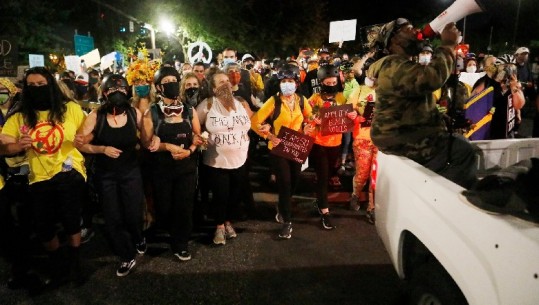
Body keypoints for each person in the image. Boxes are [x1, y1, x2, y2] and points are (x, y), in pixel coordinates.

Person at [1, 67, 87, 286]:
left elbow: (87, 133)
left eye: (42, 84)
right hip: (37, 177)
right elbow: (3, 146)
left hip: (68, 172)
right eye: (32, 86)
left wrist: (84, 141)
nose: (37, 89)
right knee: (44, 227)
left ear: (50, 85)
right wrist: (17, 146)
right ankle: (58, 263)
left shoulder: (70, 109)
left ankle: (75, 262)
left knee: (71, 221)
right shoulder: (19, 116)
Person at [366, 19, 477, 189]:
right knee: (463, 151)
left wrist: (440, 118)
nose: (416, 31)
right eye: (409, 29)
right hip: (405, 141)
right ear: (394, 39)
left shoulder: (402, 65)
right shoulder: (392, 65)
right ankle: (437, 197)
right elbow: (432, 78)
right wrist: (447, 45)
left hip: (405, 137)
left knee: (459, 144)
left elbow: (410, 104)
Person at [76, 74, 146, 277]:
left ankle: (138, 236)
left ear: (127, 91)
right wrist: (101, 149)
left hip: (131, 172)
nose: (118, 93)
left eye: (122, 90)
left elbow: (148, 134)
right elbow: (81, 143)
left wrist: (153, 138)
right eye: (112, 90)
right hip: (106, 175)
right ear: (105, 93)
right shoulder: (96, 116)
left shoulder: (134, 113)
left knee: (133, 214)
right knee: (112, 216)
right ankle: (126, 255)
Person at [140, 67, 202, 261]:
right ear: (159, 87)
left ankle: (180, 244)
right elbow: (146, 143)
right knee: (164, 207)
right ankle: (164, 229)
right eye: (167, 81)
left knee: (184, 207)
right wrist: (167, 146)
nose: (172, 84)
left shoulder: (189, 110)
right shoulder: (151, 113)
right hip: (161, 170)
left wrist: (189, 150)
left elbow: (198, 137)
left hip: (186, 168)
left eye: (175, 80)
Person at [250, 64, 312, 239]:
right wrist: (268, 136)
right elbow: (255, 121)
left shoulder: (301, 100)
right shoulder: (274, 101)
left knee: (294, 182)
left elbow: (311, 117)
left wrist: (308, 126)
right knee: (284, 183)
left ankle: (282, 206)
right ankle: (287, 221)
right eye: (284, 81)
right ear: (279, 83)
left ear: (296, 83)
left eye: (290, 81)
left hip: (297, 147)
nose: (287, 84)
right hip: (278, 149)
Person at [196, 70, 252, 245]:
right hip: (216, 161)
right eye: (221, 82)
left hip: (240, 158)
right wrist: (200, 139)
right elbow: (194, 125)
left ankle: (228, 222)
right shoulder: (207, 104)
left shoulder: (241, 103)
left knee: (234, 195)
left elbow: (252, 123)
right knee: (221, 195)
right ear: (213, 88)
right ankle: (219, 226)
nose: (226, 84)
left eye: (227, 81)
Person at [307, 64, 348, 230]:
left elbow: (348, 117)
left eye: (334, 82)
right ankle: (324, 210)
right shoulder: (315, 98)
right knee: (323, 176)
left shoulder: (341, 98)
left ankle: (321, 200)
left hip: (336, 143)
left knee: (330, 172)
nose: (331, 85)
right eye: (328, 83)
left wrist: (351, 116)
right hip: (320, 143)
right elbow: (306, 115)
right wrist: (312, 119)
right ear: (321, 82)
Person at [472, 54, 526, 139]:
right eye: (505, 67)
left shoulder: (513, 83)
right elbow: (473, 102)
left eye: (512, 68)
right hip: (489, 130)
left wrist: (515, 89)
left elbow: (519, 105)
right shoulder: (484, 82)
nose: (509, 70)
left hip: (507, 131)